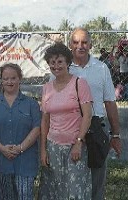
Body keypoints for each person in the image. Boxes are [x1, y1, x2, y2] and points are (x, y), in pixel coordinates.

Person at [69, 28, 122, 200]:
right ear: (70, 45)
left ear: (90, 44)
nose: (80, 46)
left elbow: (110, 102)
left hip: (96, 130)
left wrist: (115, 134)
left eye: (84, 42)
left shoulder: (101, 68)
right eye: (76, 42)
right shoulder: (62, 68)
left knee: (96, 183)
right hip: (69, 128)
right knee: (72, 182)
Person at [38, 42, 93, 199]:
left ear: (68, 62)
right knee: (55, 190)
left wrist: (78, 142)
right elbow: (45, 120)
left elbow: (87, 116)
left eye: (60, 61)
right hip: (53, 146)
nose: (56, 66)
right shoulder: (47, 88)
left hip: (74, 146)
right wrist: (43, 150)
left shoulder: (79, 83)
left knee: (75, 190)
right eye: (52, 62)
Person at [0, 63, 41, 200]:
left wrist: (20, 148)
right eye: (6, 78)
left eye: (13, 78)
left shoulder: (31, 104)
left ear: (20, 79)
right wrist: (2, 149)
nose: (9, 82)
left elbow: (37, 128)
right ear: (1, 80)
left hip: (25, 163)